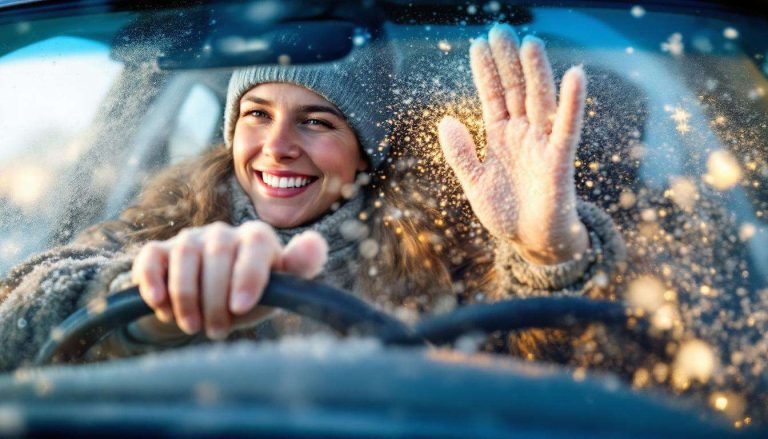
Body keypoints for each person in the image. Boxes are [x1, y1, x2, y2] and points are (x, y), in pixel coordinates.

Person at [0, 23, 763, 424]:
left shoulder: (441, 244)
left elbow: (571, 384)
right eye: (255, 114)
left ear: (364, 150)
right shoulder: (168, 219)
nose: (275, 145)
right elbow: (20, 310)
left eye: (318, 121)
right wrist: (148, 303)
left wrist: (546, 254)